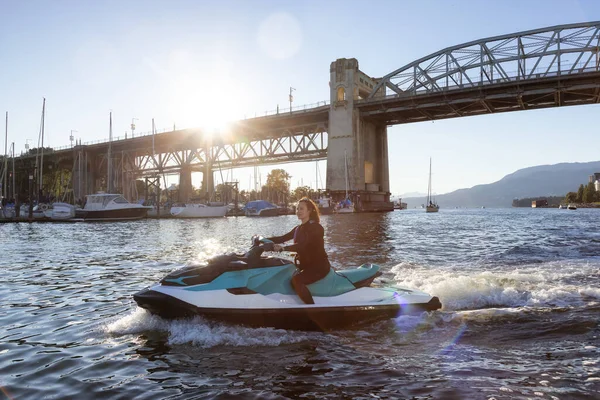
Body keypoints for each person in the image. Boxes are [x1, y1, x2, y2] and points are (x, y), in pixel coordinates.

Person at [267, 197, 331, 304]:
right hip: (305, 266)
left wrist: (284, 248)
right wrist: (263, 239)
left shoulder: (316, 228)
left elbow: (303, 245)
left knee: (296, 280)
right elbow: (282, 238)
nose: (298, 211)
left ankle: (311, 308)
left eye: (301, 209)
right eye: (297, 209)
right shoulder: (298, 228)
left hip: (319, 267)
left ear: (309, 211)